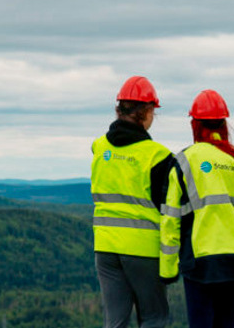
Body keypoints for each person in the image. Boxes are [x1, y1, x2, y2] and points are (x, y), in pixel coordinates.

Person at [160, 89, 234, 328]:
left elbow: (171, 219)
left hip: (200, 261)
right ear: (224, 124)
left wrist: (167, 269)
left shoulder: (184, 160)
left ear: (195, 124)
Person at [90, 76, 173, 328]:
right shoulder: (157, 156)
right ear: (147, 112)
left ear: (119, 109)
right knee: (154, 317)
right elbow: (168, 210)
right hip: (143, 249)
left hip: (105, 247)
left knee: (115, 321)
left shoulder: (99, 147)